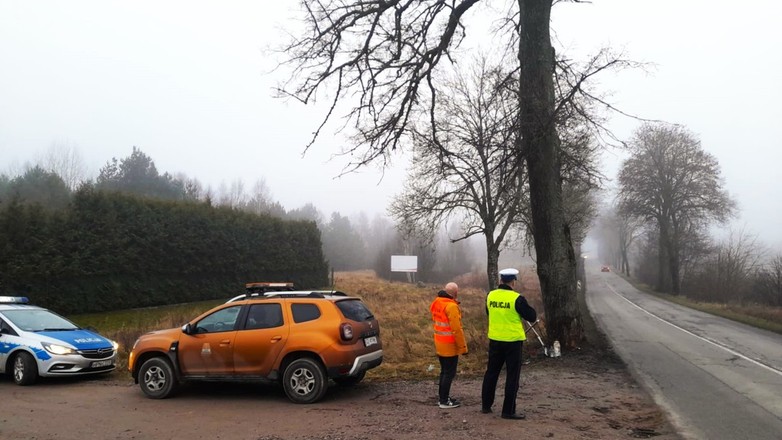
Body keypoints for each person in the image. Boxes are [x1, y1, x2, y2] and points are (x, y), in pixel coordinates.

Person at [481, 268, 537, 420]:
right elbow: (532, 316)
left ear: (500, 281)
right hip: (512, 342)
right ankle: (508, 410)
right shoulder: (517, 298)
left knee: (491, 373)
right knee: (512, 376)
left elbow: (489, 313)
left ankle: (486, 405)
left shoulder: (490, 295)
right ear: (513, 282)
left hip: (495, 339)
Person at [430, 281, 468, 409]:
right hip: (449, 345)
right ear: (455, 294)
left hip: (439, 342)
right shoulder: (451, 307)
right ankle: (444, 401)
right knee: (449, 373)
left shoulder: (437, 302)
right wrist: (463, 347)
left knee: (444, 372)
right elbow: (456, 330)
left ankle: (443, 397)